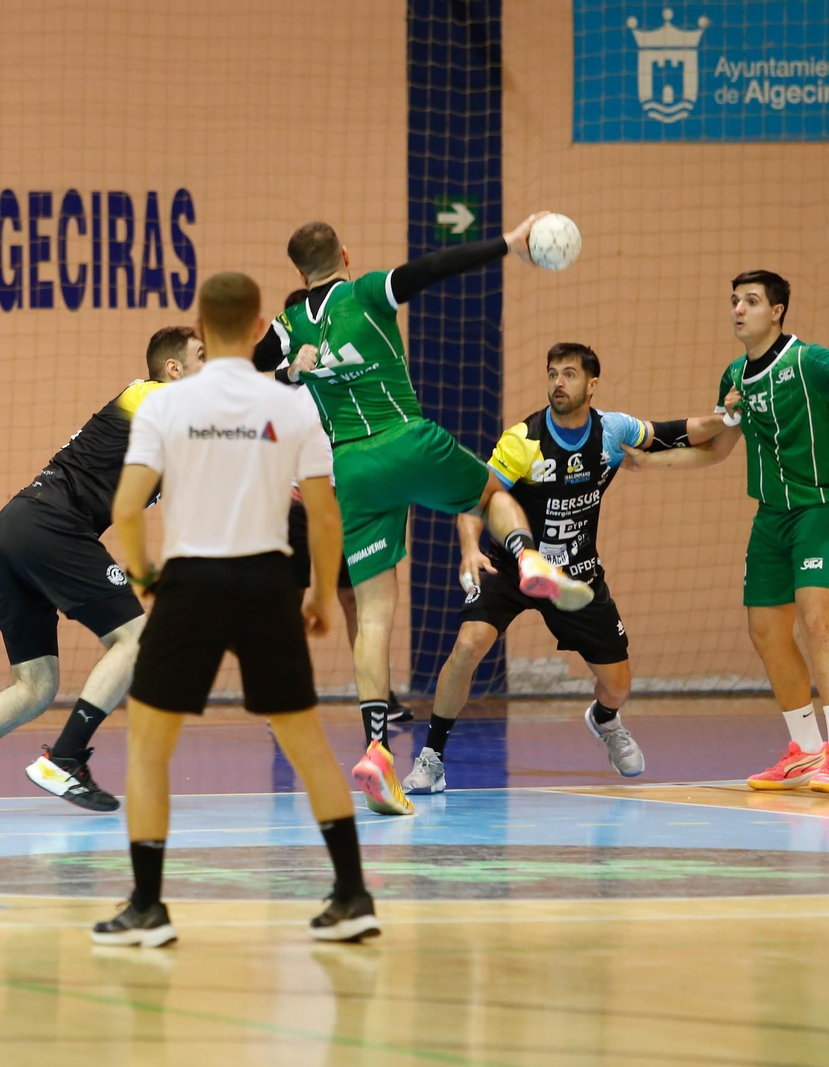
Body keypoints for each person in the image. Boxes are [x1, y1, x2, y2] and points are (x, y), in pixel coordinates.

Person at [252, 212, 589, 817]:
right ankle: (528, 557)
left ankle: (377, 751)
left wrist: (290, 368)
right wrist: (509, 244)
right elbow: (433, 269)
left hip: (351, 469)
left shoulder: (288, 322)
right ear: (346, 254)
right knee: (489, 492)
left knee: (375, 614)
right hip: (404, 435)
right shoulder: (365, 290)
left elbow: (248, 368)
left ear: (297, 271)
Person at [92, 271, 378, 947]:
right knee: (306, 743)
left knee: (149, 747)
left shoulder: (165, 405)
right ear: (258, 327)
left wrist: (144, 578)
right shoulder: (294, 405)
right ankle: (353, 893)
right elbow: (326, 514)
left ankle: (148, 906)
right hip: (267, 582)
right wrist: (318, 594)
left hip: (190, 585)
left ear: (202, 322)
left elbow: (127, 508)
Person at [403, 343, 729, 794]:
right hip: (513, 566)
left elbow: (682, 431)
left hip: (577, 574)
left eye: (570, 374)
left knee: (617, 686)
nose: (559, 382)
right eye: (553, 373)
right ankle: (433, 757)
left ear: (592, 384)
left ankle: (605, 719)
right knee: (468, 645)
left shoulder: (613, 431)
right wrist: (468, 551)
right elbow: (475, 498)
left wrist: (728, 417)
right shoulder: (524, 440)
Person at [0, 327, 206, 817]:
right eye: (202, 357)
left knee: (36, 684)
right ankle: (66, 758)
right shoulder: (147, 394)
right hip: (50, 524)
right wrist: (287, 374)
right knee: (137, 638)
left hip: (12, 530)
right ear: (173, 368)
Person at [618, 271, 829, 793]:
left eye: (751, 301)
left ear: (777, 311)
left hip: (818, 509)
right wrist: (649, 463)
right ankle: (805, 751)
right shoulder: (735, 376)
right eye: (734, 300)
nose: (738, 309)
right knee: (765, 632)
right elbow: (716, 449)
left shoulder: (812, 362)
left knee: (817, 621)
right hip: (770, 519)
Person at [275, 289, 409, 724]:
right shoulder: (279, 379)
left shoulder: (347, 366)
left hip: (346, 502)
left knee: (357, 599)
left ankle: (379, 700)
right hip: (294, 505)